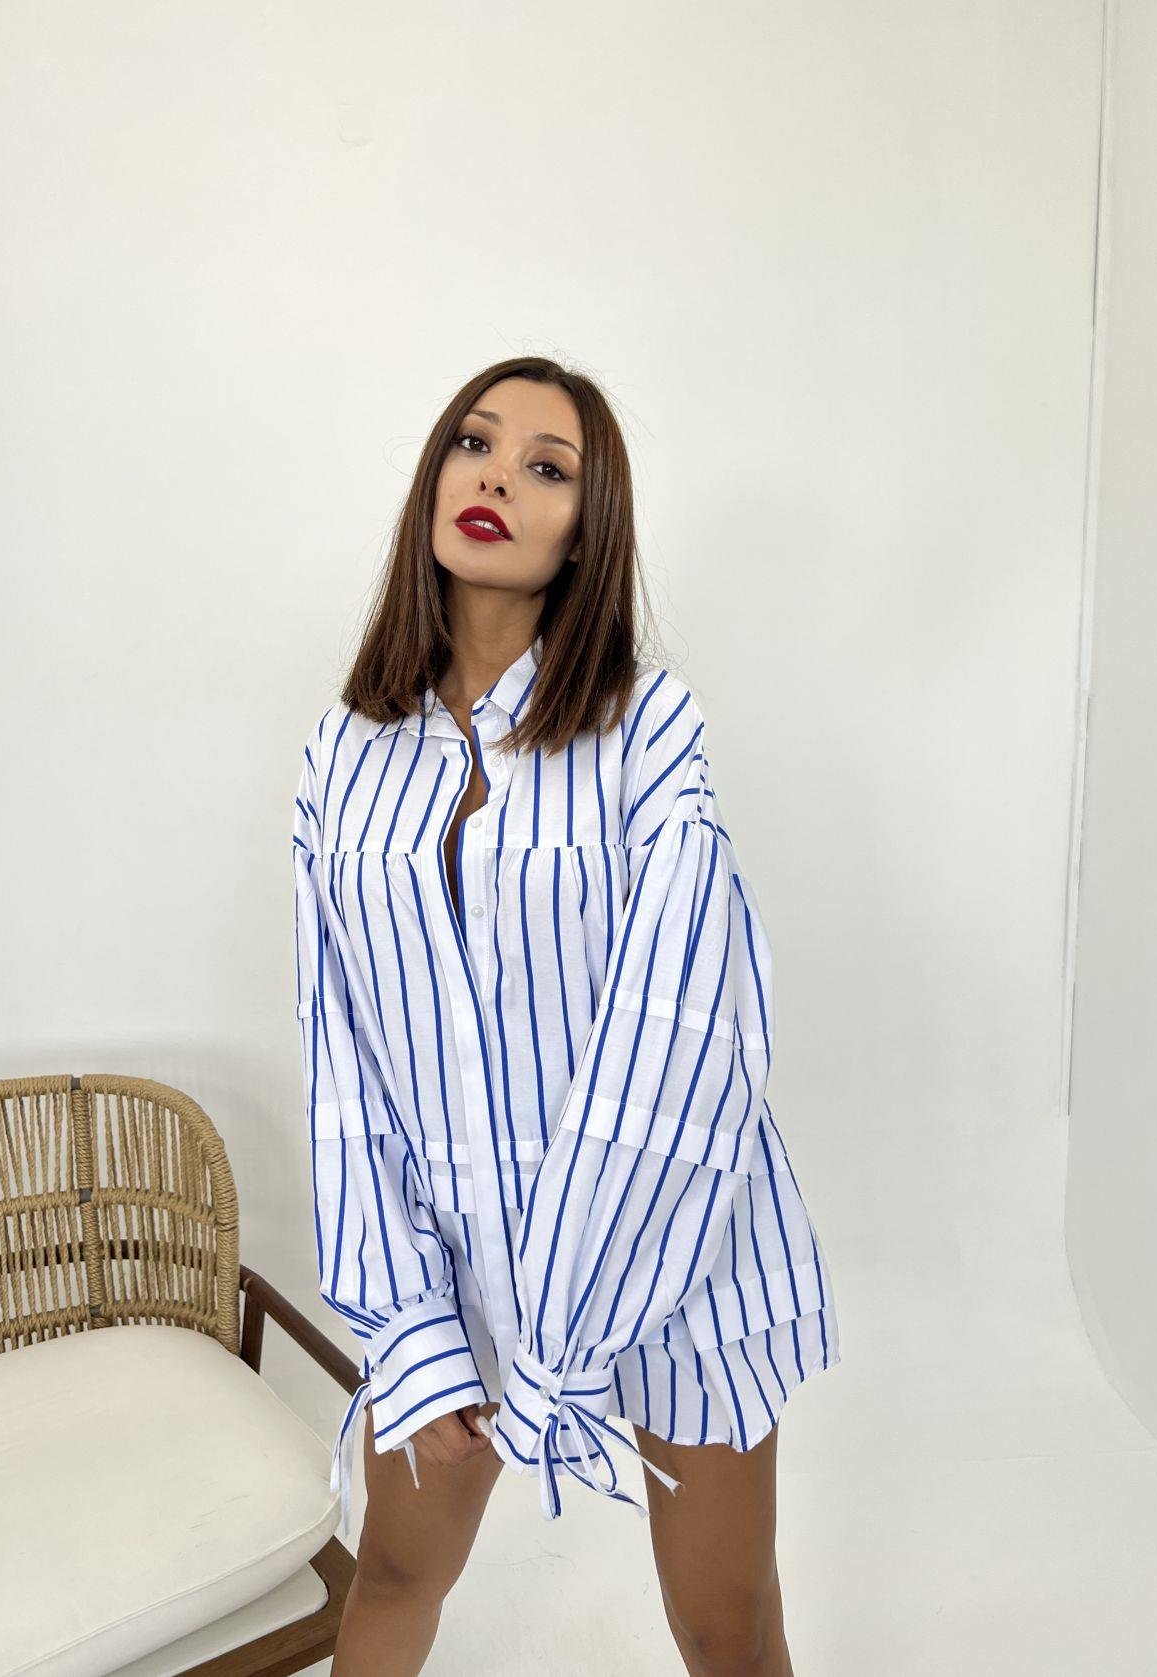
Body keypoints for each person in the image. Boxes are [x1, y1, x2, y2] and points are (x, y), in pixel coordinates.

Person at [292, 355, 840, 1676]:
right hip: (448, 1270)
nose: (496, 476)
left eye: (548, 467)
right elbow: (340, 1064)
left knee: (724, 1625)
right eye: (473, 443)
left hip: (676, 1251)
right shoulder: (341, 757)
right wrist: (412, 1328)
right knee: (394, 1573)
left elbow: (683, 1032)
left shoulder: (645, 729)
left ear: (587, 532)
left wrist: (563, 1330)